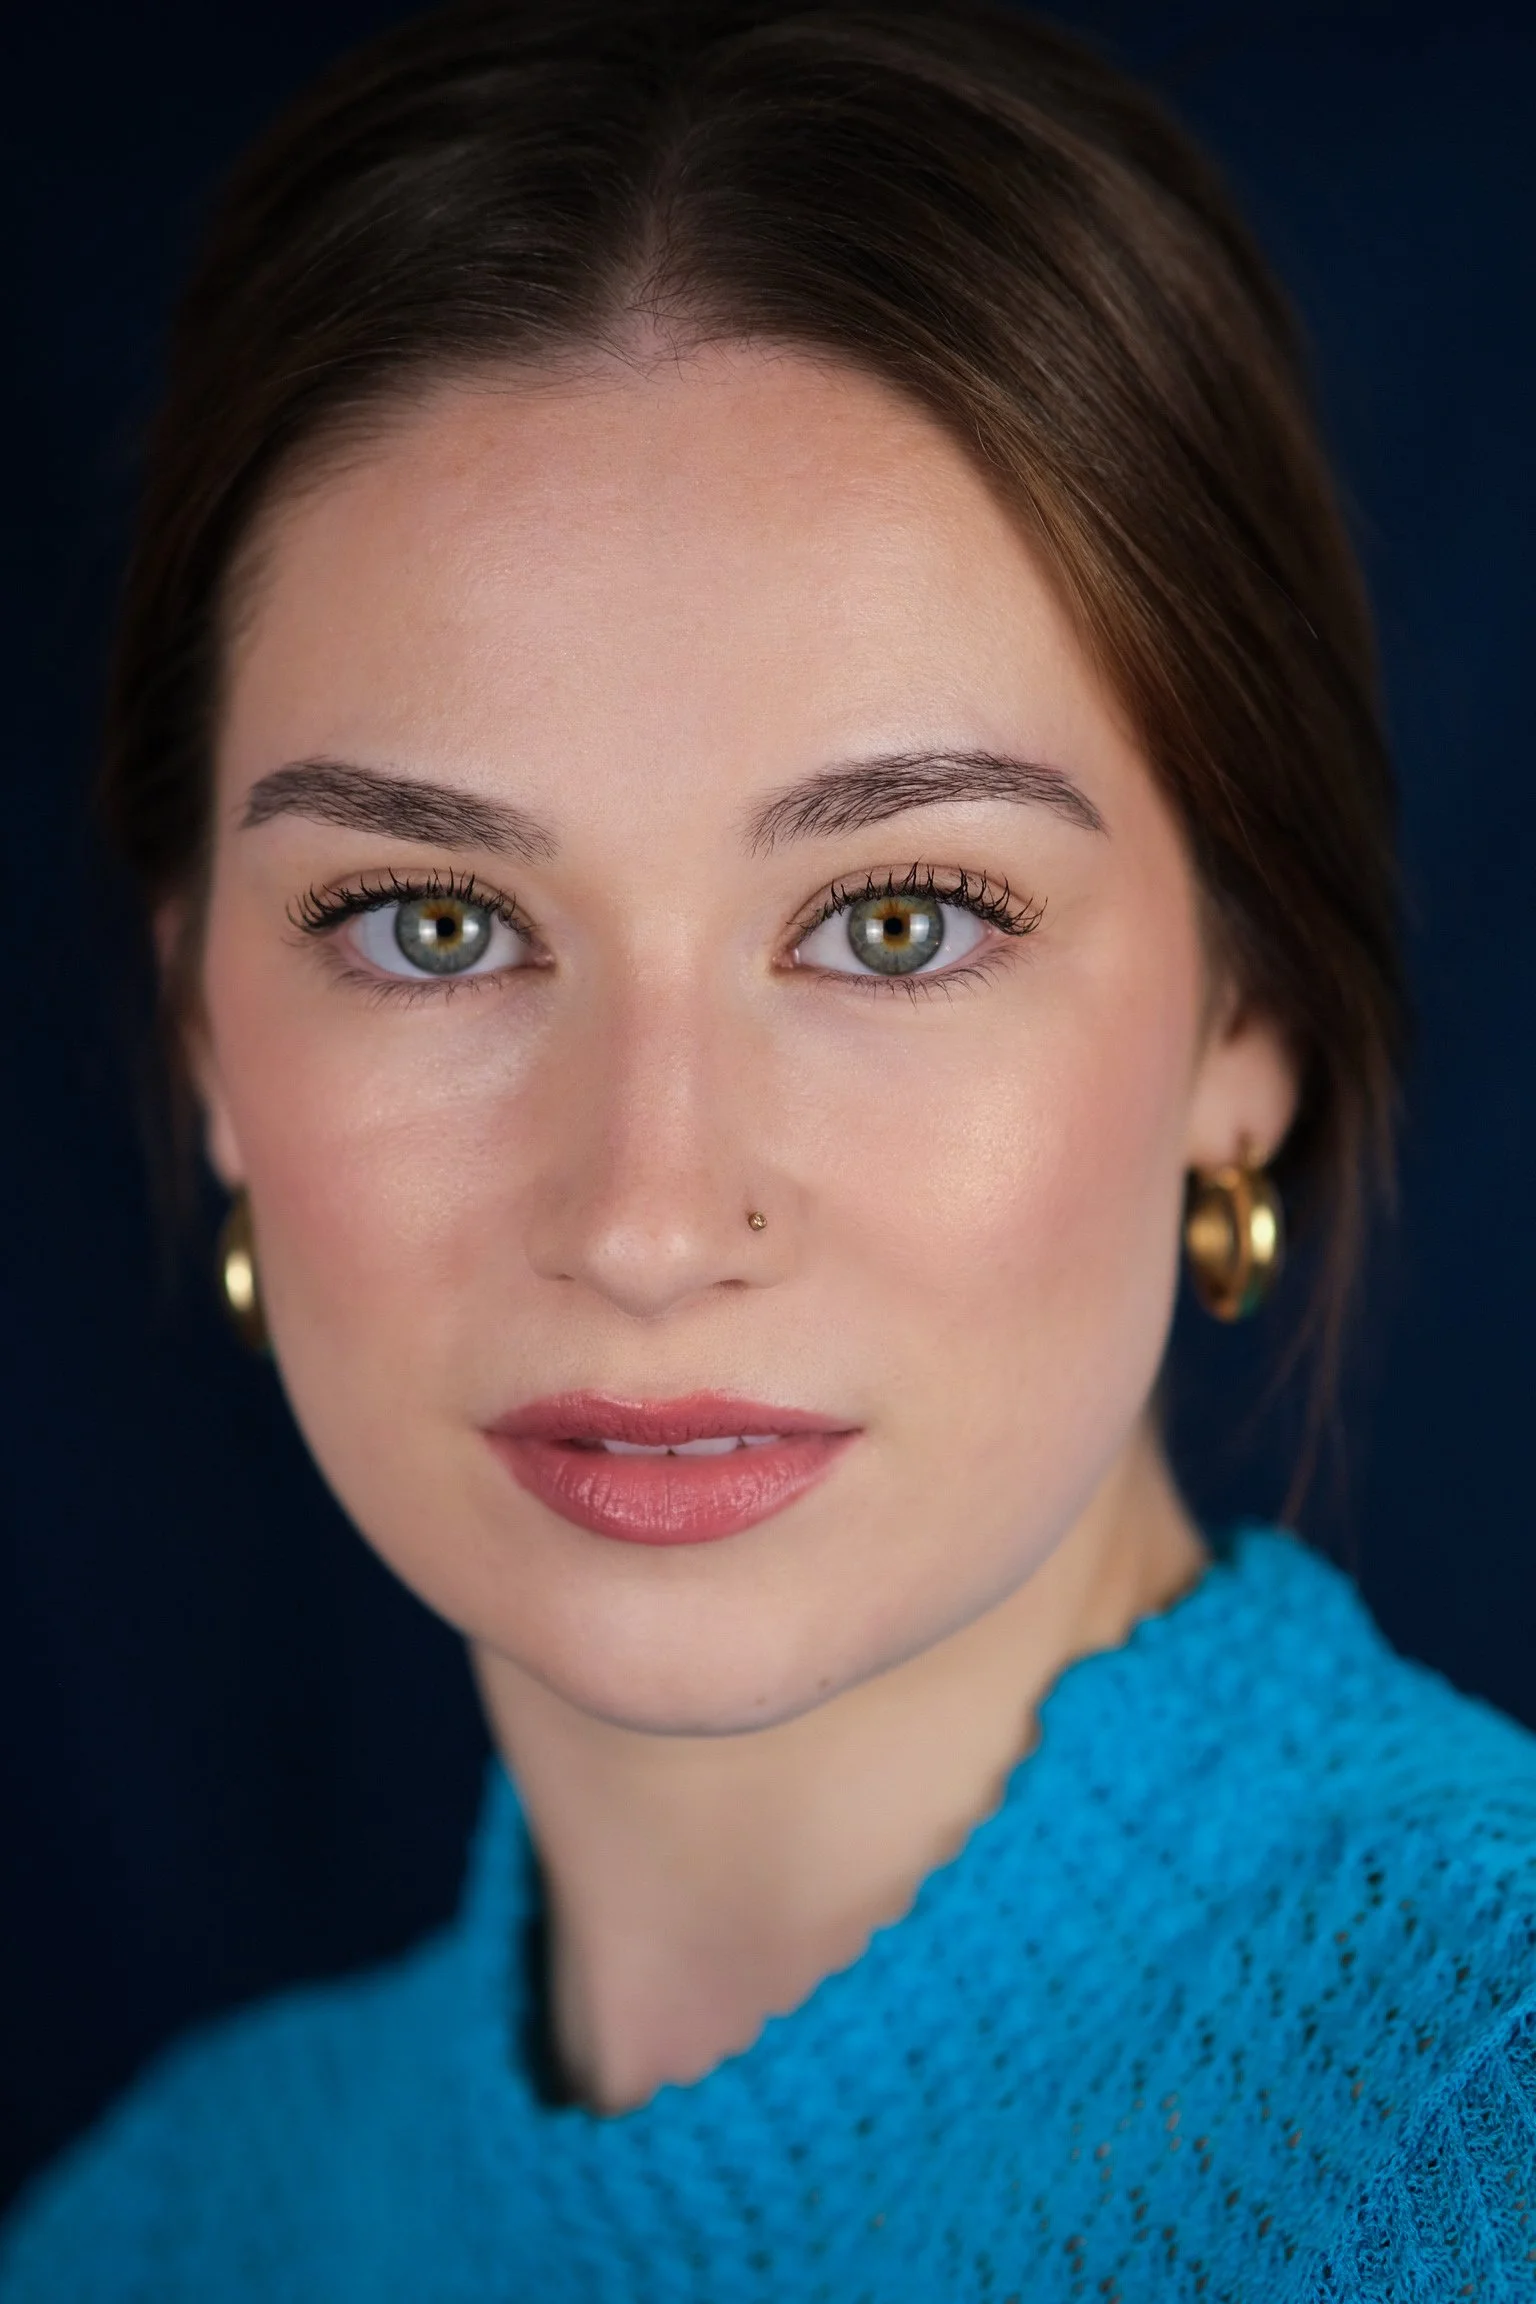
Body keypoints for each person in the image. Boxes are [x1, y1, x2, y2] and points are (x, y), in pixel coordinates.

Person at [4, 0, 1533, 2294]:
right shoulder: (155, 2237)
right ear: (204, 1018)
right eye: (432, 925)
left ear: (1253, 1018)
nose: (641, 1213)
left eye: (898, 922)